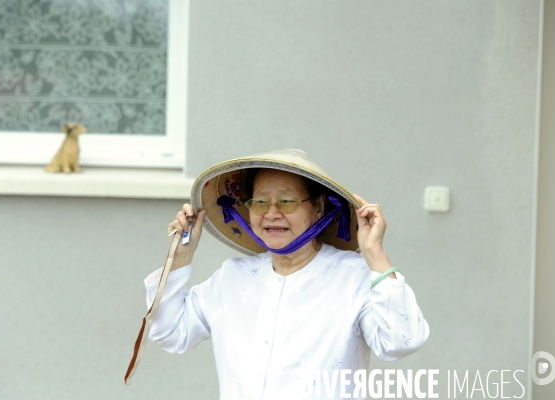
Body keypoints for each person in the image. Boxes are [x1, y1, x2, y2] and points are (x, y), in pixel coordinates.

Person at [143, 149, 429, 399]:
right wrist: (180, 259)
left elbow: (401, 341)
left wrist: (375, 254)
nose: (272, 213)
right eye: (260, 202)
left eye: (287, 201)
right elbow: (170, 332)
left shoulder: (354, 277)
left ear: (318, 208)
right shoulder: (231, 278)